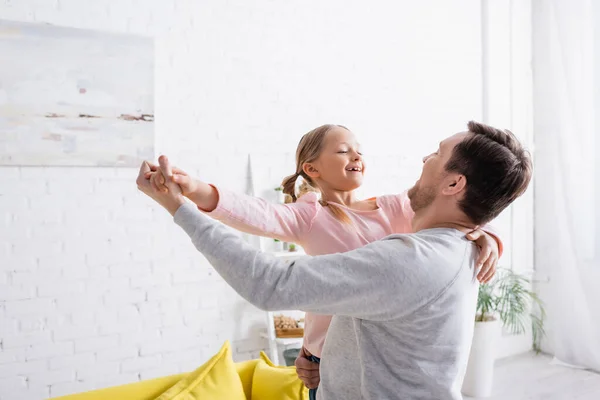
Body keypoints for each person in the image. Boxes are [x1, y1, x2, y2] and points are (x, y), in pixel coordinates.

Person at [137, 121, 531, 400]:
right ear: (312, 169)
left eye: (438, 153)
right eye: (343, 150)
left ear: (453, 183)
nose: (426, 157)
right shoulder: (311, 215)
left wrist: (488, 233)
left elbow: (267, 282)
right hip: (332, 359)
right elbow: (253, 212)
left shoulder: (396, 216)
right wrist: (194, 189)